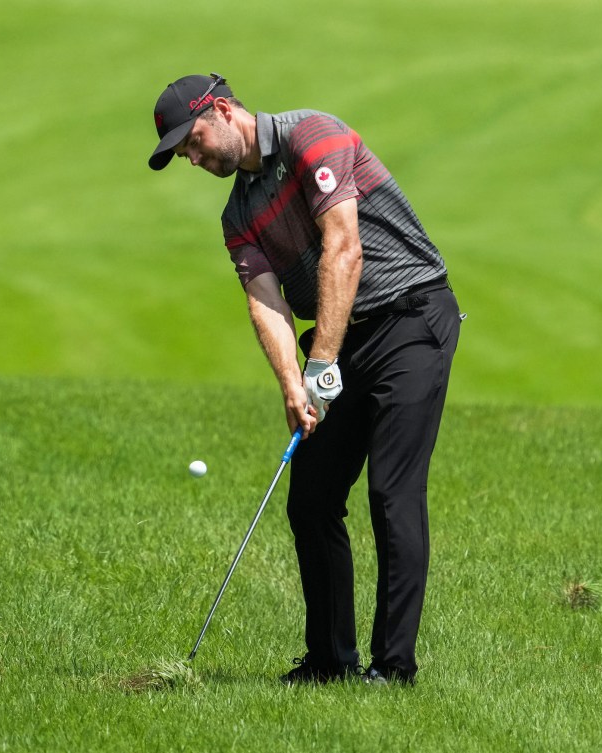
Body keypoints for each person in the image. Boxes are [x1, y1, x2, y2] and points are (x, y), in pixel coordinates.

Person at [148, 73, 464, 686]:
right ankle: (329, 662)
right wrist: (293, 382)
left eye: (194, 140)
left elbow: (345, 248)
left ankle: (393, 668)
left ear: (222, 109)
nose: (194, 157)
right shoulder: (237, 213)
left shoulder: (312, 136)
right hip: (341, 339)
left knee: (391, 494)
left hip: (411, 318)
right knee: (312, 498)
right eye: (184, 152)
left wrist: (320, 364)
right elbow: (265, 300)